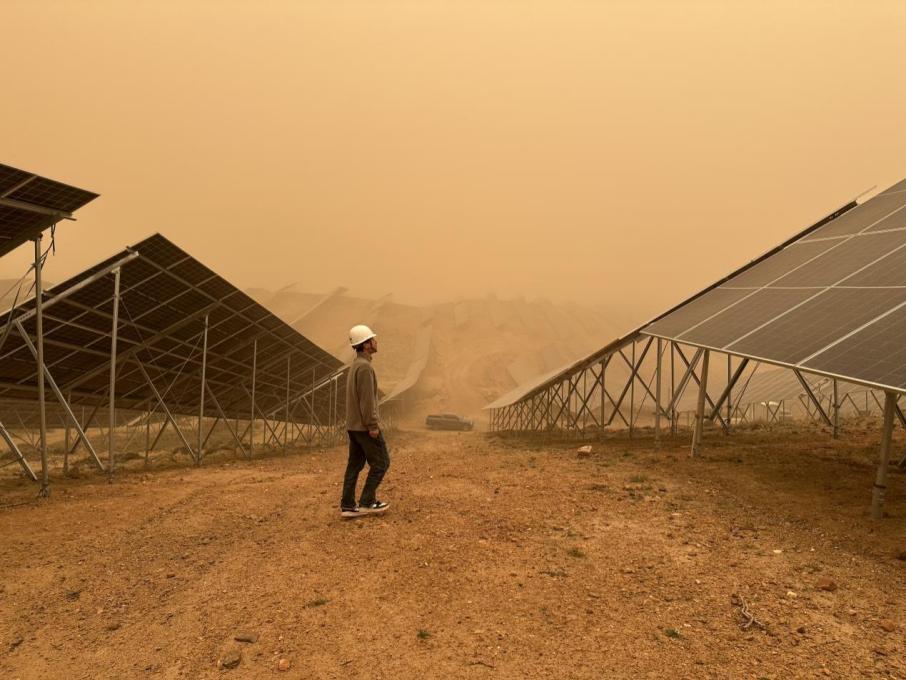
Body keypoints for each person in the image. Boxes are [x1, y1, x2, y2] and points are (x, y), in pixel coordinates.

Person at [340, 324, 390, 518]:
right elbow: (367, 401)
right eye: (372, 339)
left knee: (354, 465)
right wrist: (372, 425)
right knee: (382, 463)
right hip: (364, 427)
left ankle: (347, 505)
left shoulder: (355, 365)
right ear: (366, 344)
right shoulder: (365, 368)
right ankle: (367, 502)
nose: (376, 342)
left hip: (353, 427)